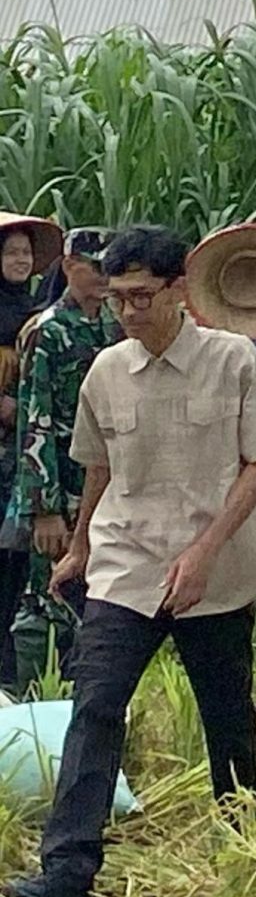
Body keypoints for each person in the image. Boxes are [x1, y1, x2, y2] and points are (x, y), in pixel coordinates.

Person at [0, 226, 256, 897]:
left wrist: (206, 551)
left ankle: (244, 845)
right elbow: (99, 467)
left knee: (226, 714)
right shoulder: (106, 371)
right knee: (96, 705)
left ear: (179, 290)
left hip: (214, 568)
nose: (128, 311)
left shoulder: (232, 359)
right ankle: (65, 873)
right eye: (117, 298)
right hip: (126, 562)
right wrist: (79, 547)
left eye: (141, 296)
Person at [6, 227, 116, 692]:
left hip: (106, 481)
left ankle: (89, 690)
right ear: (71, 267)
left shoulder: (114, 325)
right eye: (97, 267)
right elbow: (36, 419)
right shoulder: (48, 330)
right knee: (46, 597)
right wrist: (43, 507)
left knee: (100, 595)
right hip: (59, 481)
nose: (105, 277)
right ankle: (36, 698)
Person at [0, 216, 61, 692]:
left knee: (15, 563)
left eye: (26, 252)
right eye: (11, 252)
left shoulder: (37, 313)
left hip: (22, 459)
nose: (21, 260)